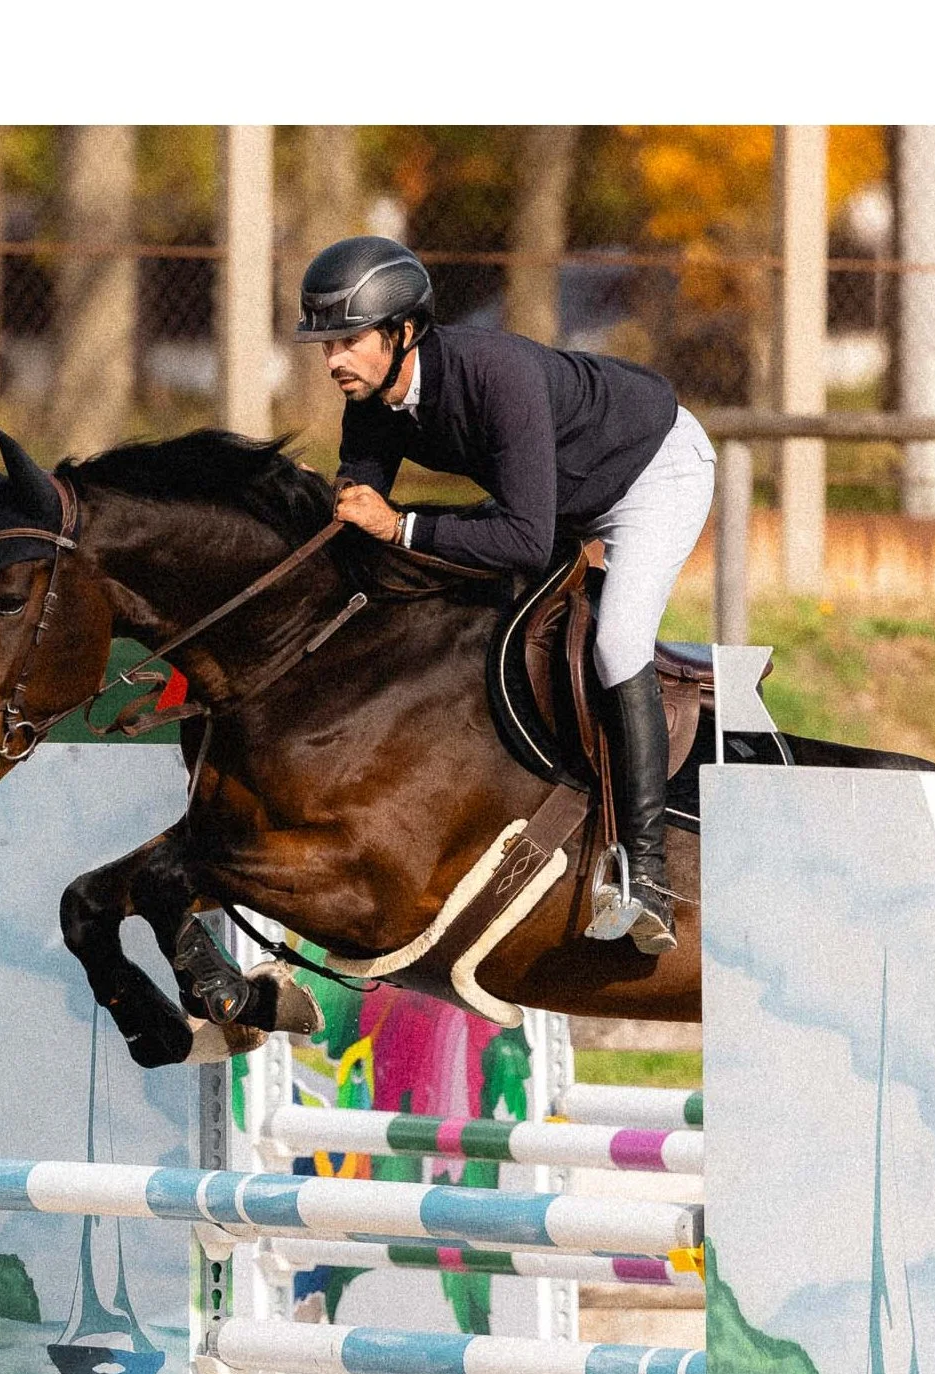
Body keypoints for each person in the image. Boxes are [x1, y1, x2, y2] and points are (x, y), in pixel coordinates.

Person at [294, 236, 715, 956]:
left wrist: (398, 526)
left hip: (651, 474)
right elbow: (357, 517)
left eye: (349, 341)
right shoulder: (369, 401)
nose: (333, 360)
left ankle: (643, 878)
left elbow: (519, 539)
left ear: (401, 333)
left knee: (617, 642)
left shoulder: (496, 374)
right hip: (558, 502)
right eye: (325, 344)